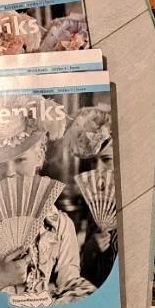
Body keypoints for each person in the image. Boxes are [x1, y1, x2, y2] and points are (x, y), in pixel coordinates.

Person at [0, 95, 95, 301]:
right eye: (2, 163)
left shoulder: (60, 226)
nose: (10, 172)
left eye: (20, 160)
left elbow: (70, 285)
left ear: (39, 157)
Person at [64, 105, 118, 289]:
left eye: (107, 160)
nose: (98, 169)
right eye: (93, 161)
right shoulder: (96, 200)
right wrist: (91, 249)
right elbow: (85, 273)